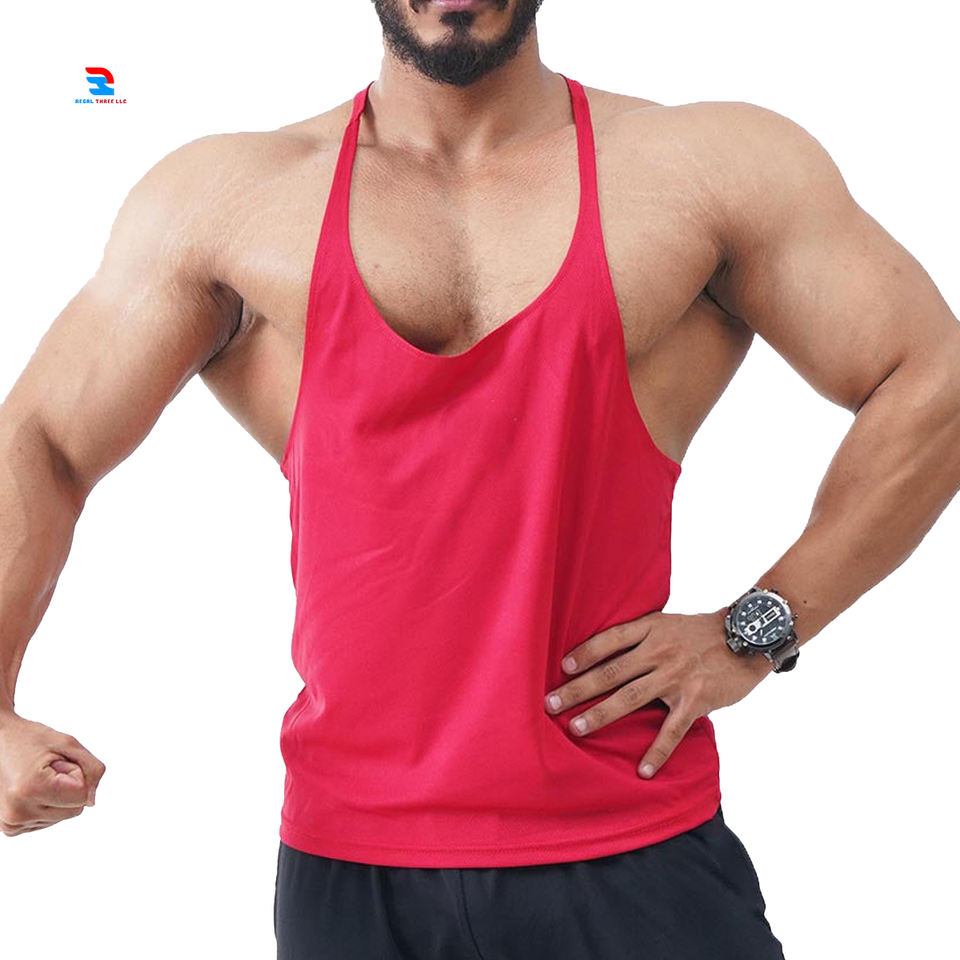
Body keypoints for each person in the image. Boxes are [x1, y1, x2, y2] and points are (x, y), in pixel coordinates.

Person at [1, 1, 958, 957]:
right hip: (351, 864)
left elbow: (935, 381)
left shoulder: (707, 169)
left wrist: (759, 628)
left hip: (633, 843)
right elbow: (43, 437)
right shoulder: (227, 199)